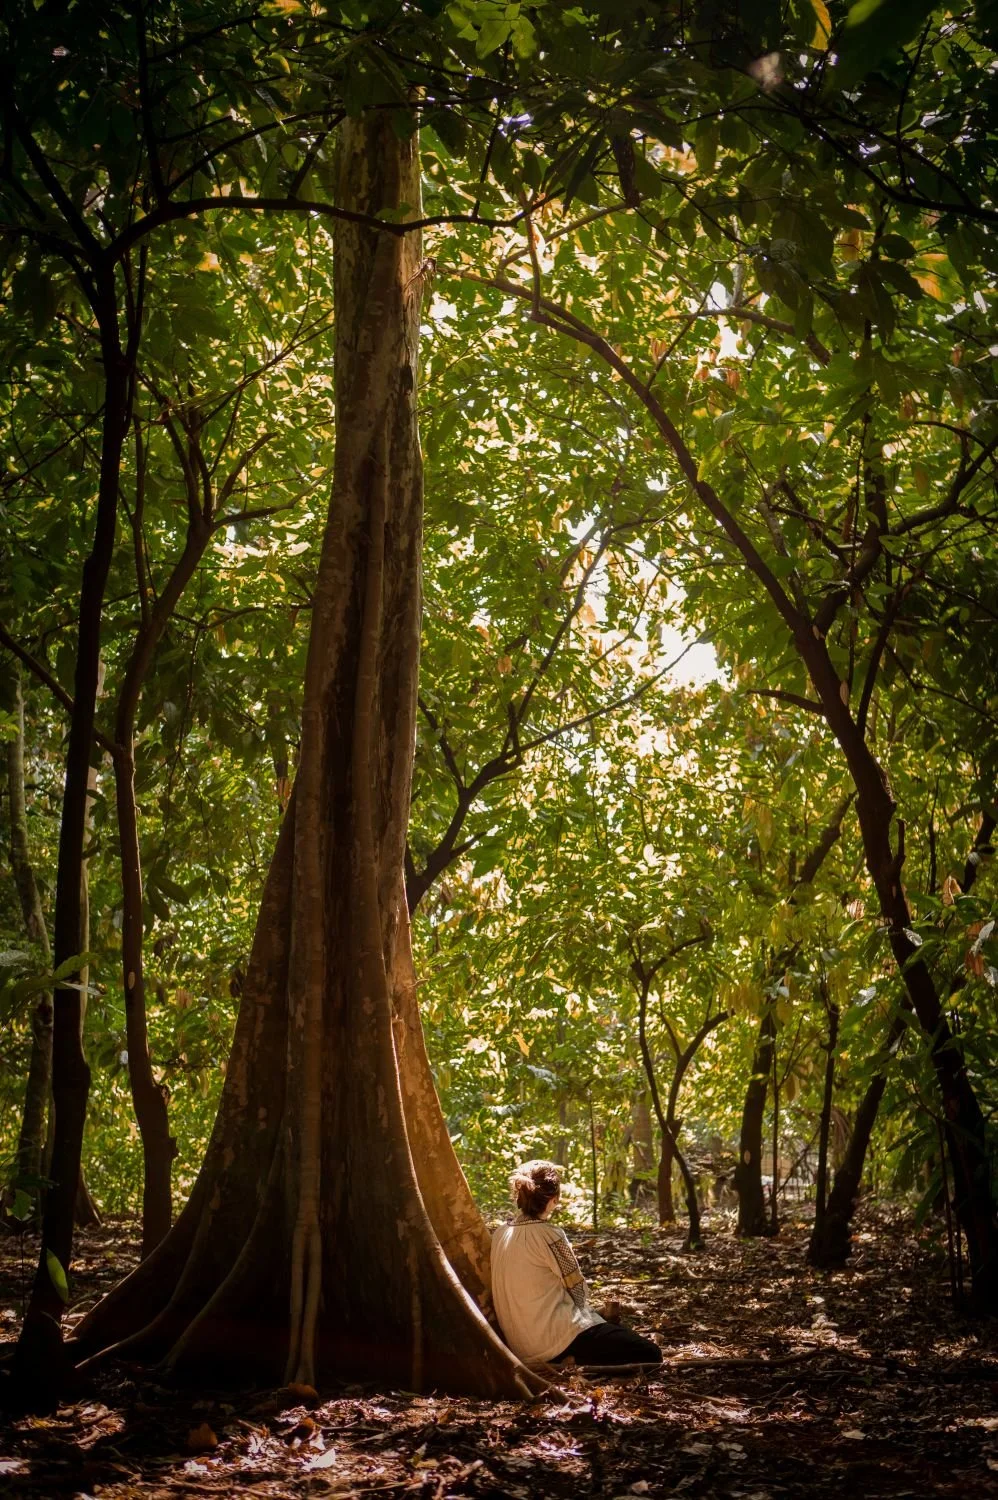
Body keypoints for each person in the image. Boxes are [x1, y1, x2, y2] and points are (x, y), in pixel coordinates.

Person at [490, 1159, 662, 1369]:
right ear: (554, 1199)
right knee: (650, 1353)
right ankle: (575, 1361)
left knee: (613, 1336)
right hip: (557, 1340)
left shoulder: (500, 1234)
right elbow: (578, 1290)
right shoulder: (550, 1235)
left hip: (520, 1347)